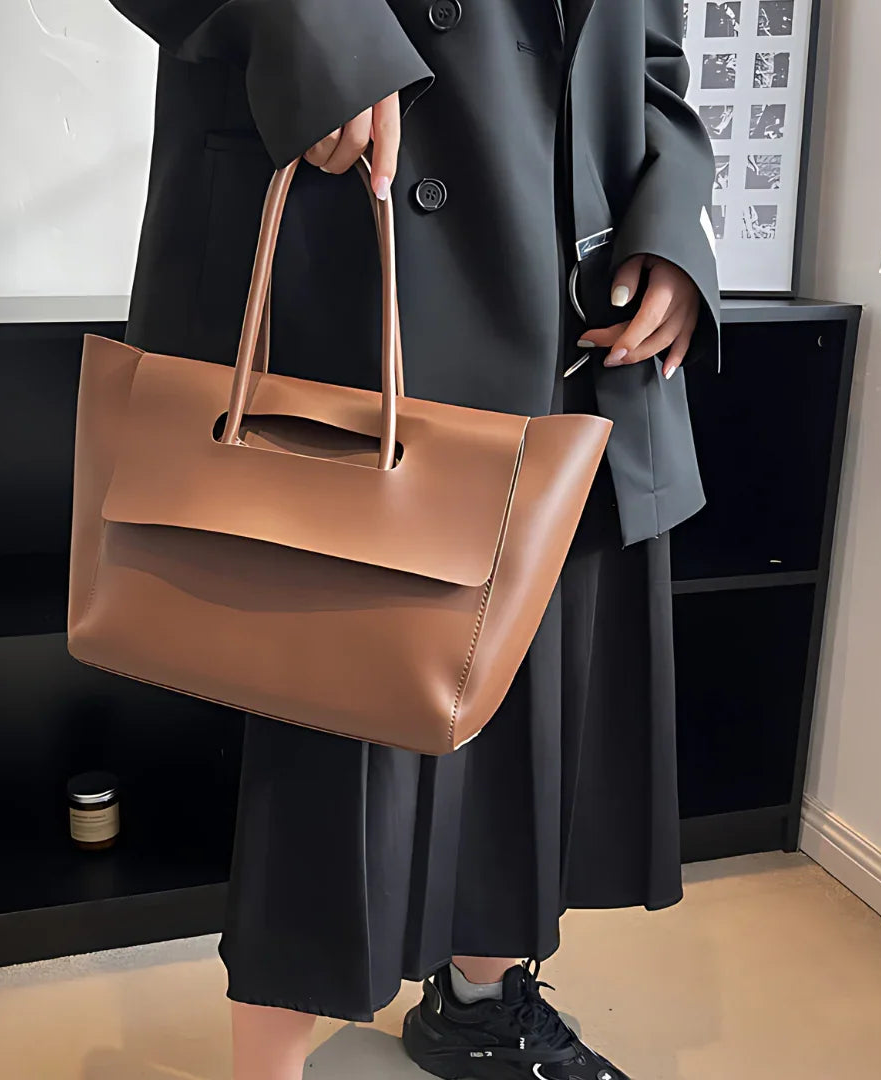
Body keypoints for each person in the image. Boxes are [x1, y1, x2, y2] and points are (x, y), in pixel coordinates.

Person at [106, 2, 719, 1078]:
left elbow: (651, 49)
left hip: (574, 292)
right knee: (337, 719)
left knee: (537, 683)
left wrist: (671, 221)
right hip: (357, 251)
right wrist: (314, 25)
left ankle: (480, 1006)